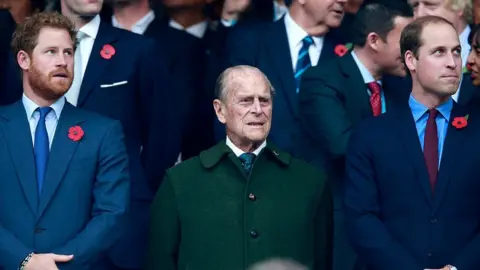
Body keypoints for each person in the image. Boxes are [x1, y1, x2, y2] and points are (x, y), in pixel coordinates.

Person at [145, 65, 333, 270]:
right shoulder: (180, 181)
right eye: (245, 101)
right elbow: (159, 262)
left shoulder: (309, 181)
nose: (257, 110)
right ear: (220, 110)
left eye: (264, 101)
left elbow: (322, 261)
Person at [345, 15, 480, 270]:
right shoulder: (372, 134)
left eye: (457, 52)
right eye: (439, 52)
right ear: (411, 60)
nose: (452, 63)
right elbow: (361, 218)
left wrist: (458, 267)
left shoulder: (477, 129)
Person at [0, 12, 129, 270]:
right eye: (51, 52)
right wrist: (22, 260)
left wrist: (57, 264)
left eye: (69, 53)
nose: (63, 61)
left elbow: (111, 214)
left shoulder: (104, 132)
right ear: (23, 59)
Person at [57, 0, 179, 268]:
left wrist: (131, 191)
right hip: (48, 224)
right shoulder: (26, 49)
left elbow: (163, 137)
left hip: (120, 226)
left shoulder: (139, 50)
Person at [298, 3, 412, 270]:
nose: (412, 51)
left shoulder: (402, 87)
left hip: (395, 227)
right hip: (342, 224)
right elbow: (344, 146)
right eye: (405, 40)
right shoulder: (322, 79)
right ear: (374, 40)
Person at [223, 0, 347, 153]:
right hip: (258, 169)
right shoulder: (251, 40)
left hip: (325, 172)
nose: (343, 0)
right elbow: (229, 108)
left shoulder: (349, 50)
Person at [408, 0, 473, 103]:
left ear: (459, 7)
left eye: (430, 5)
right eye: (415, 6)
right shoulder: (406, 55)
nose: (419, 14)